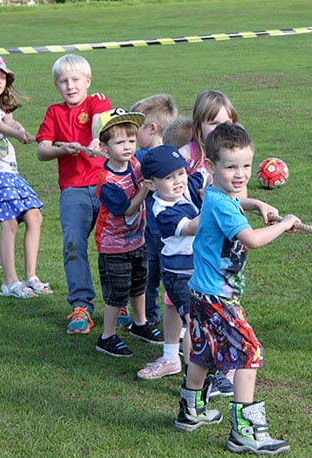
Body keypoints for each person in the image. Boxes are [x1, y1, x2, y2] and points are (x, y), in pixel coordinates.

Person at [175, 123, 299, 456]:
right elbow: (253, 240)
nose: (241, 174)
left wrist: (257, 206)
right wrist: (286, 223)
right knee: (249, 353)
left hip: (201, 292)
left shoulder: (216, 194)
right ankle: (245, 432)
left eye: (246, 165)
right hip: (218, 297)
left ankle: (191, 412)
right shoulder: (223, 205)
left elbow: (235, 203)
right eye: (231, 166)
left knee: (202, 352)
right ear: (210, 167)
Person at [35, 54, 113, 333]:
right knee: (73, 245)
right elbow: (42, 149)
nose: (70, 86)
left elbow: (101, 123)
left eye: (76, 80)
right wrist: (60, 149)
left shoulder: (97, 101)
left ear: (88, 81)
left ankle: (120, 304)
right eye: (64, 81)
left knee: (114, 246)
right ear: (57, 85)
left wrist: (94, 140)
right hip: (73, 190)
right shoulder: (54, 112)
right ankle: (81, 306)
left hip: (106, 185)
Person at [0, 55, 50, 296]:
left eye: (2, 77)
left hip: (10, 172)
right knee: (9, 222)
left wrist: (24, 131)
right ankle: (9, 282)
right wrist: (16, 134)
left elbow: (10, 122)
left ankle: (30, 276)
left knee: (34, 217)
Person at [93, 108, 163, 357]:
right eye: (119, 142)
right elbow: (127, 209)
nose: (127, 146)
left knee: (139, 284)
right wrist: (146, 189)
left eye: (131, 140)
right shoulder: (107, 182)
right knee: (117, 293)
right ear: (105, 147)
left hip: (136, 240)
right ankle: (107, 336)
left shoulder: (134, 163)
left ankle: (140, 324)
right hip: (114, 247)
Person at [137, 144, 208, 379]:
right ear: (150, 184)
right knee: (193, 322)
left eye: (180, 173)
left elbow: (206, 174)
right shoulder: (163, 210)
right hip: (180, 274)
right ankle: (194, 378)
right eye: (169, 177)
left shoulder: (184, 187)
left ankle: (171, 357)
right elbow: (190, 227)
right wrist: (215, 209)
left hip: (190, 267)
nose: (178, 180)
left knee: (171, 307)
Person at [131, 94, 179, 327]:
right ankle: (180, 321)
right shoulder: (176, 155)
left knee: (148, 277)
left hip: (151, 231)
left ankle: (148, 318)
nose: (132, 136)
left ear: (151, 128)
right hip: (175, 229)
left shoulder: (140, 157)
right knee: (173, 276)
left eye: (134, 129)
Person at [179, 90, 239, 178]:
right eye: (214, 123)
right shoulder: (186, 154)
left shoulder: (236, 152)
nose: (221, 128)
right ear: (199, 126)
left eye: (227, 123)